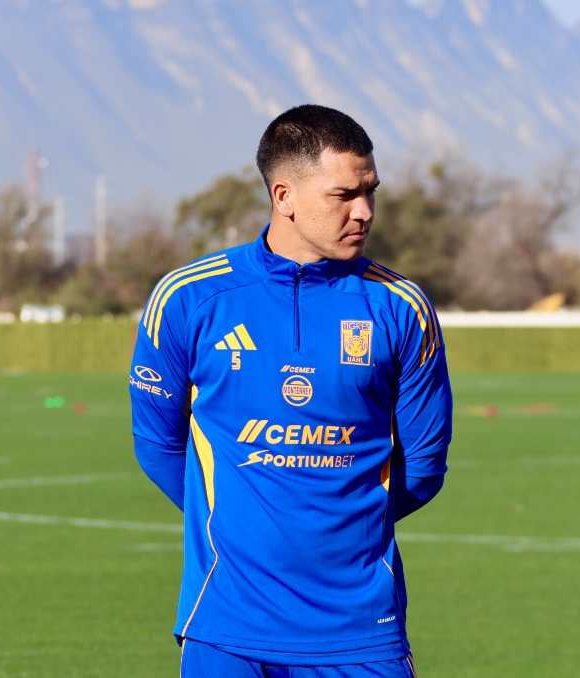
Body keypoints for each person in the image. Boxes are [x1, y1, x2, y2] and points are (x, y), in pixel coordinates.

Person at [129, 104, 451, 678]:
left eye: (371, 191)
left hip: (361, 632)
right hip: (228, 628)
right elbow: (157, 446)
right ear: (285, 196)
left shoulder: (401, 308)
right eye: (343, 195)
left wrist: (337, 522)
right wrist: (245, 521)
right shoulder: (187, 300)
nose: (365, 211)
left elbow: (423, 467)